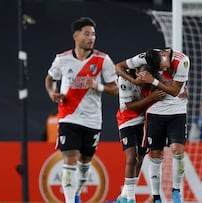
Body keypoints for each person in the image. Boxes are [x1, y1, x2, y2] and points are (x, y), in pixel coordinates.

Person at [45, 17, 118, 203]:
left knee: (85, 163)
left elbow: (115, 88)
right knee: (70, 159)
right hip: (68, 117)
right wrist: (52, 92)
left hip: (92, 120)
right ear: (76, 36)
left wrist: (97, 86)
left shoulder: (103, 60)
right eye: (87, 33)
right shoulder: (62, 59)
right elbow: (50, 78)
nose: (91, 37)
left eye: (93, 34)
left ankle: (75, 195)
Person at [115, 47, 190, 203]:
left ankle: (176, 192)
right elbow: (118, 67)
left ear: (164, 55)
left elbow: (175, 91)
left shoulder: (181, 61)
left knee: (168, 153)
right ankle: (139, 197)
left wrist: (153, 82)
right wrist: (135, 81)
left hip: (164, 113)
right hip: (132, 118)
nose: (164, 70)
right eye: (159, 70)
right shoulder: (128, 76)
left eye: (163, 68)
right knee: (137, 157)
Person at [116, 64, 166, 203]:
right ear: (137, 72)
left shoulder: (152, 80)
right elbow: (130, 106)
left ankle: (124, 196)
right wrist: (151, 98)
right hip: (126, 121)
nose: (143, 80)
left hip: (144, 121)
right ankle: (131, 199)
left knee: (140, 159)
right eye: (141, 76)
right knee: (132, 158)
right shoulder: (125, 80)